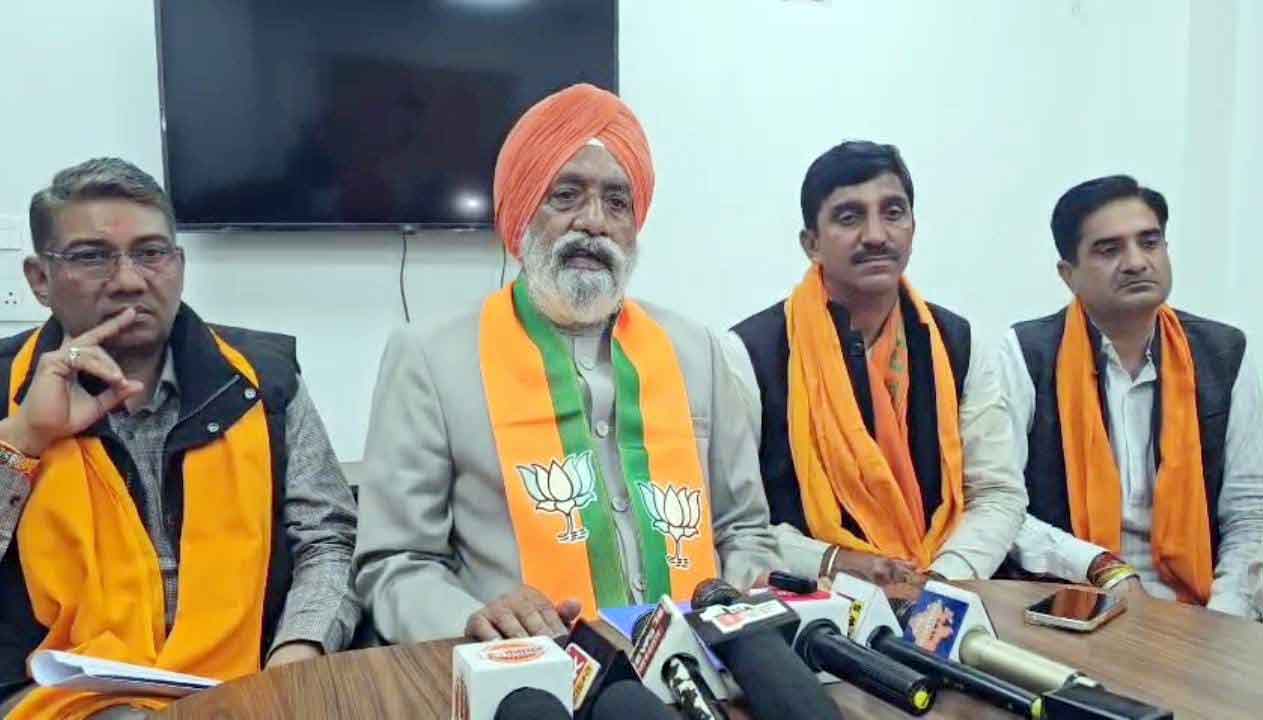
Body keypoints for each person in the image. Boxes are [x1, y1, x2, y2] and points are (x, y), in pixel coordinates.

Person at [352, 84, 777, 643]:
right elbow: (395, 563)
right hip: (529, 670)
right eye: (566, 195)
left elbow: (744, 530)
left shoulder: (696, 350)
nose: (594, 222)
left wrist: (743, 606)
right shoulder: (430, 358)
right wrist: (472, 621)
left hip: (702, 660)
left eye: (617, 202)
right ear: (523, 211)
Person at [0, 158, 359, 719]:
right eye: (92, 256)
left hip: (247, 683)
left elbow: (327, 540)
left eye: (151, 253)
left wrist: (298, 653)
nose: (129, 280)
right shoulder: (8, 388)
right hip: (58, 697)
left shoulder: (260, 381)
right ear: (39, 279)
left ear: (179, 265)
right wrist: (25, 437)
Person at [727, 141, 1027, 596]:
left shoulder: (957, 344)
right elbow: (734, 522)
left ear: (913, 228)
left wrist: (939, 582)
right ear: (811, 243)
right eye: (849, 217)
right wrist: (834, 562)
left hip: (945, 594)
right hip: (808, 603)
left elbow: (996, 493)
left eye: (893, 212)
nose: (875, 235)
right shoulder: (748, 354)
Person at [1000, 175, 1263, 615]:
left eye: (1149, 242)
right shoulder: (1026, 354)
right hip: (1070, 602)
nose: (1137, 262)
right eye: (1109, 250)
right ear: (1068, 274)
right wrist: (1103, 569)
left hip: (1203, 607)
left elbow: (1249, 512)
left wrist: (1222, 621)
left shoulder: (1225, 354)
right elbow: (1000, 505)